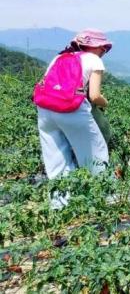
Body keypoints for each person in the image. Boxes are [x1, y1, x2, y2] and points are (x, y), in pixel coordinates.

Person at [34, 29, 112, 209]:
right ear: (97, 47)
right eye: (104, 49)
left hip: (45, 110)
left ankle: (60, 205)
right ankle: (106, 199)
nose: (104, 52)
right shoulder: (94, 60)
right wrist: (105, 103)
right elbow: (94, 96)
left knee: (56, 159)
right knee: (95, 155)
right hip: (72, 110)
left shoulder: (60, 58)